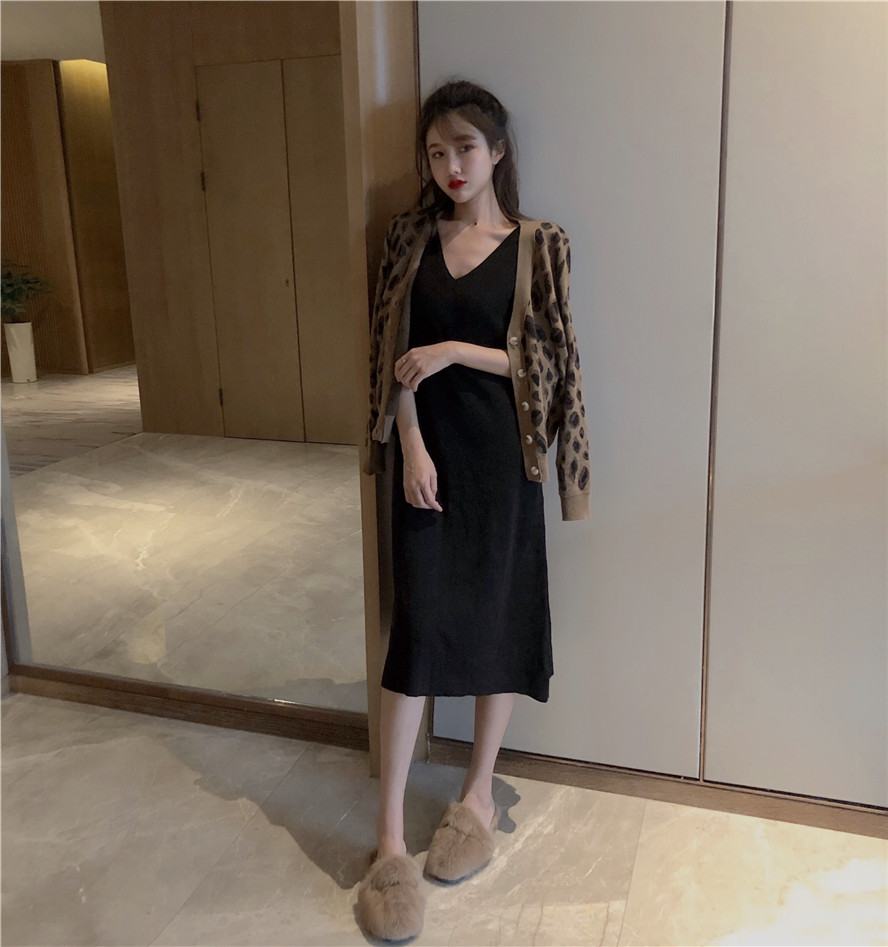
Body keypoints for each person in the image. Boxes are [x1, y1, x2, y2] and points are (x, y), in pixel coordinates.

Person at [357, 78, 591, 941]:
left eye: (465, 148)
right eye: (435, 151)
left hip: (504, 462)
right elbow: (388, 353)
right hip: (429, 460)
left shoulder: (539, 243)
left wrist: (458, 347)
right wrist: (410, 444)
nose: (450, 166)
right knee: (415, 638)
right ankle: (388, 840)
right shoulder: (408, 239)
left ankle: (477, 796)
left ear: (496, 151)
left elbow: (552, 363)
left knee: (499, 619)